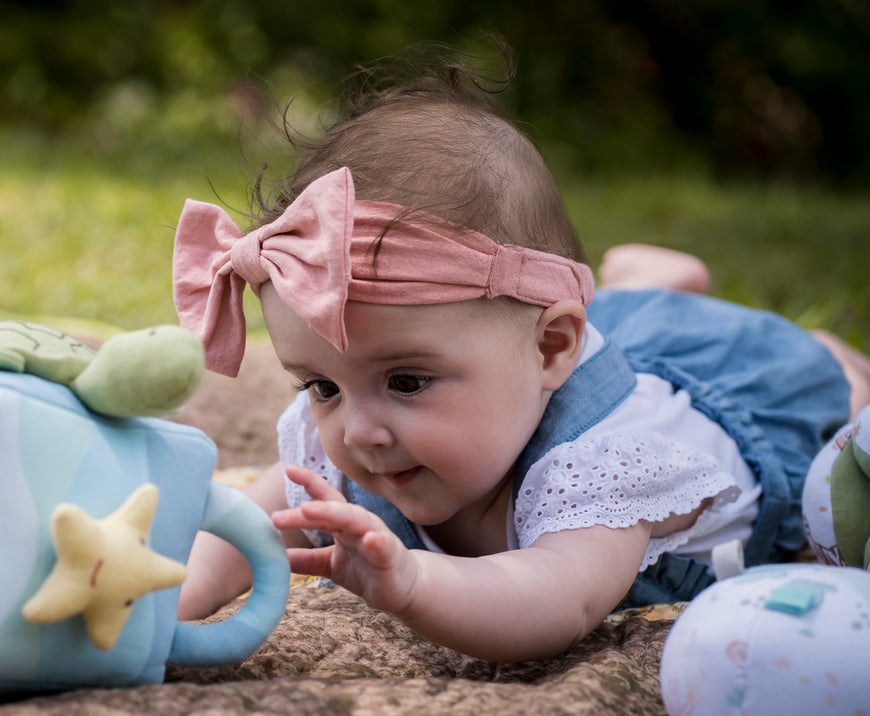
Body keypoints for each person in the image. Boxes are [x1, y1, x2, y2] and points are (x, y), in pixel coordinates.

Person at [170, 57, 870, 662]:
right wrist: (169, 598)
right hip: (574, 344)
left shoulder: (607, 468)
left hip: (734, 376)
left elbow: (550, 599)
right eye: (321, 385)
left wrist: (413, 583)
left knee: (842, 390)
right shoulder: (375, 417)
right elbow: (243, 527)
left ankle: (691, 302)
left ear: (552, 347)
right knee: (609, 322)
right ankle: (637, 282)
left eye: (407, 380)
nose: (357, 432)